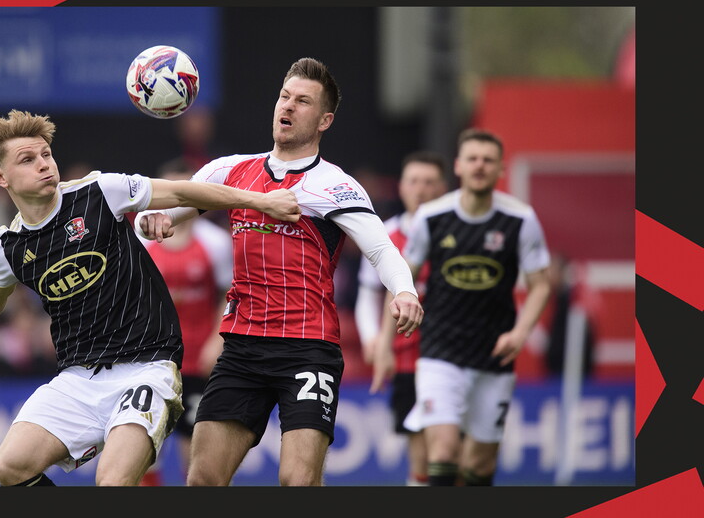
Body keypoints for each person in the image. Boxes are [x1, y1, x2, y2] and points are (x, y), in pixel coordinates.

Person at [0, 109, 301, 487]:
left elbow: (182, 191)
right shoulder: (10, 246)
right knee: (9, 466)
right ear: (1, 177)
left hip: (148, 366)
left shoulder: (100, 193)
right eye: (28, 160)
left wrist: (261, 201)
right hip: (77, 379)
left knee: (113, 482)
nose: (44, 164)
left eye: (46, 154)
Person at [136, 57, 424, 486]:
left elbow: (381, 249)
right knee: (202, 480)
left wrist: (404, 291)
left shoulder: (335, 185)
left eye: (303, 101)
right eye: (284, 96)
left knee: (298, 482)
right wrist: (155, 221)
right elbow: (163, 215)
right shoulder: (229, 171)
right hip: (243, 347)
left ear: (325, 120)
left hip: (308, 347)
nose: (287, 107)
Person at [396, 128, 552, 486]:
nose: (479, 166)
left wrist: (520, 332)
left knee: (479, 465)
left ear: (501, 169)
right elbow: (405, 275)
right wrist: (395, 321)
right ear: (458, 167)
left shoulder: (521, 219)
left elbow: (541, 284)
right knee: (445, 451)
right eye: (472, 158)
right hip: (439, 350)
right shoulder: (432, 217)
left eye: (488, 160)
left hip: (493, 354)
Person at [137, 157, 233, 485]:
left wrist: (217, 340)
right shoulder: (142, 240)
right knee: (145, 452)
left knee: (196, 453)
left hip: (198, 361)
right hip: (151, 360)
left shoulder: (216, 243)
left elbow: (231, 293)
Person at [354, 150, 447, 486]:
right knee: (418, 442)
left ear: (442, 188)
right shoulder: (383, 236)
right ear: (402, 187)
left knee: (452, 447)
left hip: (450, 352)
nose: (420, 189)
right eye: (413, 181)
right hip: (407, 354)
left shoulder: (454, 232)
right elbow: (369, 291)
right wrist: (373, 339)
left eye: (429, 182)